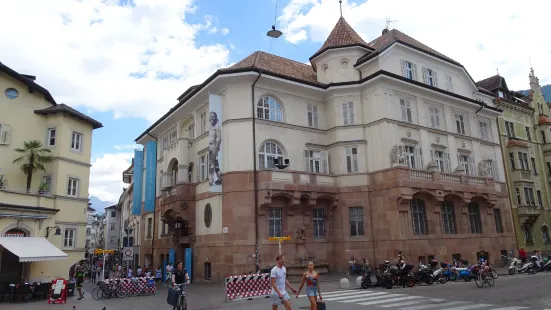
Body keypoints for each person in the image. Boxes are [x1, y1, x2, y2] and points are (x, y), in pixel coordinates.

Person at [208, 111, 222, 186]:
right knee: (215, 164)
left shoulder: (217, 126)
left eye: (213, 116)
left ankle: (211, 181)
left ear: (216, 117)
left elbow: (219, 139)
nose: (211, 118)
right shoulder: (209, 126)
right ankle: (220, 178)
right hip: (209, 146)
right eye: (210, 116)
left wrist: (216, 149)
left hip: (214, 147)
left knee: (212, 164)